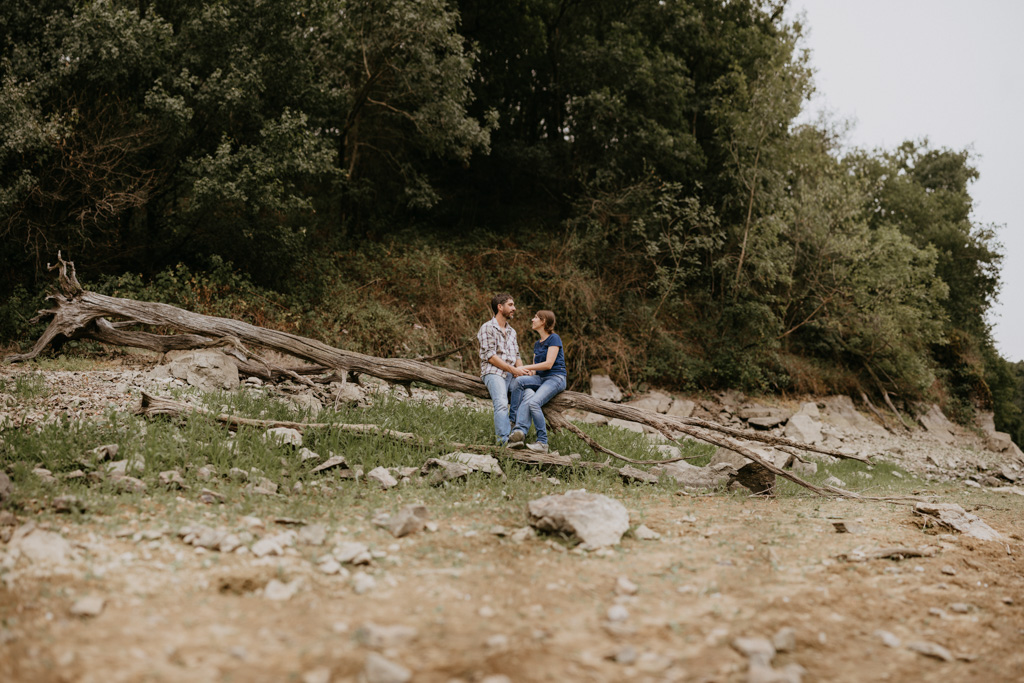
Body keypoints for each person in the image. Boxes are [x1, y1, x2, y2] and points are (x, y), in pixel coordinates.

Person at [508, 310, 566, 453]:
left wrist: (523, 366)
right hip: (540, 378)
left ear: (543, 321)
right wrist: (525, 372)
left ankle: (542, 443)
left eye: (536, 317)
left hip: (555, 378)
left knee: (534, 402)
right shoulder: (537, 344)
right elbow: (536, 370)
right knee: (520, 381)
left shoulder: (554, 338)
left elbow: (548, 364)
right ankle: (513, 421)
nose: (532, 320)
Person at [477, 292, 528, 444]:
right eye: (511, 305)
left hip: (511, 374)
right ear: (500, 307)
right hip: (494, 372)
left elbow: (517, 355)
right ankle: (503, 441)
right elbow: (491, 357)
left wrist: (523, 371)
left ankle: (517, 430)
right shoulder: (487, 328)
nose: (514, 308)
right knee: (501, 403)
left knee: (529, 393)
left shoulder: (512, 332)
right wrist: (513, 370)